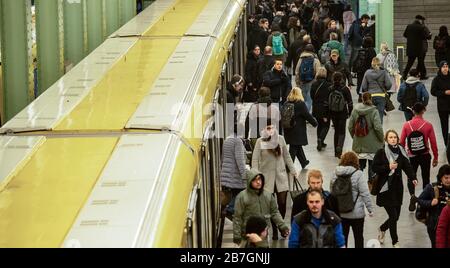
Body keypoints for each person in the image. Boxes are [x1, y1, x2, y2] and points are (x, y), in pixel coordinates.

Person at [372, 130, 418, 248]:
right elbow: (374, 167)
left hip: (397, 188)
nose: (393, 139)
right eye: (390, 137)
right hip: (385, 189)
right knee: (393, 216)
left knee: (396, 217)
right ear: (386, 139)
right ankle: (395, 241)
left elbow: (407, 166)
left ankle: (382, 228)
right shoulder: (381, 152)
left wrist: (413, 177)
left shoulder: (401, 152)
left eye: (395, 137)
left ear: (397, 139)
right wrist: (388, 167)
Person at [252, 125, 297, 240]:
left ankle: (280, 226)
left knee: (282, 205)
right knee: (271, 206)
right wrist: (255, 175)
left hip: (281, 177)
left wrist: (293, 170)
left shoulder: (280, 139)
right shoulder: (259, 141)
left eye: (272, 127)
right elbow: (255, 159)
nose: (270, 130)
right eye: (268, 128)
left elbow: (287, 156)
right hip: (266, 179)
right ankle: (275, 229)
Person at [233, 169, 290, 246]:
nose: (258, 182)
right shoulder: (242, 197)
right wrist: (237, 235)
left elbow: (274, 212)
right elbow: (237, 217)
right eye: (254, 180)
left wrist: (282, 226)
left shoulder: (268, 195)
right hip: (247, 236)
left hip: (263, 235)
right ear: (250, 181)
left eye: (259, 179)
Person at [400, 102, 439, 212]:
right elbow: (433, 143)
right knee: (425, 177)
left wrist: (402, 158)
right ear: (423, 111)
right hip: (425, 155)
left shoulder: (407, 125)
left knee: (411, 177)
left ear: (413, 111)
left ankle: (413, 195)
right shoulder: (428, 125)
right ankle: (423, 201)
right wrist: (435, 157)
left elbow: (401, 143)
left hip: (411, 156)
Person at [330, 151, 374, 248]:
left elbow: (332, 192)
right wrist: (370, 209)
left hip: (341, 212)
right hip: (357, 214)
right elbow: (365, 193)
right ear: (356, 161)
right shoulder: (358, 174)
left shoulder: (335, 173)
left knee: (342, 238)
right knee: (358, 237)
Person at [348, 92, 384, 180]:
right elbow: (378, 127)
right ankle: (371, 186)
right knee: (373, 167)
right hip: (373, 145)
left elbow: (350, 126)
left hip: (359, 144)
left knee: (359, 167)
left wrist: (355, 137)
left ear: (362, 99)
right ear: (371, 99)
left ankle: (358, 185)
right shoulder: (374, 111)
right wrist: (381, 139)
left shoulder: (355, 110)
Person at [283, 88, 318, 169]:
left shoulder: (286, 103)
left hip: (288, 128)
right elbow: (307, 115)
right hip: (297, 129)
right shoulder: (300, 104)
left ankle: (303, 161)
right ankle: (289, 166)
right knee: (294, 147)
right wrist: (314, 123)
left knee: (296, 145)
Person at [417, 164, 450, 248]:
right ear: (440, 177)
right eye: (446, 178)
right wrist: (430, 203)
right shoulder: (432, 188)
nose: (449, 180)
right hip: (434, 226)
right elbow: (419, 200)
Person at [220, 121, 247, 220]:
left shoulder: (227, 140)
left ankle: (226, 209)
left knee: (233, 194)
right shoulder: (237, 141)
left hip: (226, 174)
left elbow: (223, 158)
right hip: (234, 175)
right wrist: (244, 176)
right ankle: (229, 209)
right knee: (243, 191)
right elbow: (240, 160)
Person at [360, 57, 392, 123]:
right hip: (381, 96)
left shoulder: (367, 72)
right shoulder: (384, 72)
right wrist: (386, 88)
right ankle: (378, 131)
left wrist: (368, 90)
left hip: (370, 96)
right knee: (380, 116)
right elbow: (389, 84)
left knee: (370, 116)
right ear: (379, 64)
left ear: (372, 64)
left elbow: (364, 86)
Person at [328, 71, 353, 158]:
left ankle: (335, 151)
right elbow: (350, 102)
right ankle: (339, 148)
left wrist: (328, 114)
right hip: (343, 112)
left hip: (333, 113)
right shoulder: (345, 89)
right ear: (342, 78)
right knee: (342, 132)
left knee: (336, 131)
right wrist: (350, 112)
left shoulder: (330, 88)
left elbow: (327, 102)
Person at [402, 15, 431, 80]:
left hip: (411, 48)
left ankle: (404, 74)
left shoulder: (409, 26)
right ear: (420, 20)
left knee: (409, 63)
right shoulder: (421, 27)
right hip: (419, 49)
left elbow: (405, 35)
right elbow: (426, 37)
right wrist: (429, 35)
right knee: (421, 62)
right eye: (422, 20)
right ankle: (422, 75)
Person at [295, 44, 321, 111]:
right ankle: (307, 115)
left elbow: (297, 71)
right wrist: (315, 82)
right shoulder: (315, 60)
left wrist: (297, 82)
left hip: (302, 81)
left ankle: (303, 115)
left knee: (303, 99)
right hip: (311, 82)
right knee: (309, 100)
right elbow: (318, 72)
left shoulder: (301, 59)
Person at [311, 67, 332, 151]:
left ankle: (319, 141)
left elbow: (312, 95)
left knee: (320, 125)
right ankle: (321, 139)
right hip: (325, 108)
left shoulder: (314, 84)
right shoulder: (328, 85)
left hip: (316, 107)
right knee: (326, 125)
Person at [431, 60, 450, 147]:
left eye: (446, 67)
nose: (445, 69)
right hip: (442, 106)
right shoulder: (436, 79)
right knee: (444, 126)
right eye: (443, 67)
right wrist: (444, 92)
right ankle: (446, 144)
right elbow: (433, 91)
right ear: (440, 68)